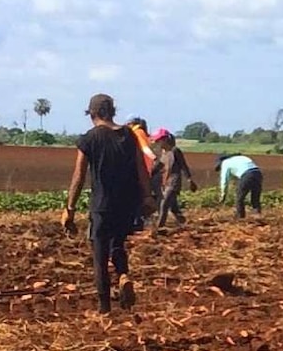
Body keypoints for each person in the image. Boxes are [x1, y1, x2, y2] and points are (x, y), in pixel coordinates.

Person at [62, 94, 154, 313]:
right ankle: (123, 275)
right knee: (118, 244)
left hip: (102, 205)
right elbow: (141, 168)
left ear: (92, 113)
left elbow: (79, 175)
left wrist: (70, 208)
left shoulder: (90, 139)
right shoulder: (129, 135)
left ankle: (104, 309)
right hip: (127, 204)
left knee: (100, 256)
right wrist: (148, 196)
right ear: (112, 111)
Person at [150, 128, 197, 228]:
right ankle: (184, 224)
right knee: (173, 208)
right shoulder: (163, 153)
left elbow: (183, 166)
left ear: (165, 139)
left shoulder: (175, 151)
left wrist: (190, 180)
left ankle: (159, 228)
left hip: (174, 182)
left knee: (164, 204)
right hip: (166, 182)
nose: (157, 143)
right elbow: (159, 166)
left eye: (158, 140)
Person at [125, 115, 159, 232]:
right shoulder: (141, 133)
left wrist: (153, 158)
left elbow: (144, 149)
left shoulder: (137, 133)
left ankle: (138, 223)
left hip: (141, 171)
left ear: (132, 124)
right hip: (145, 171)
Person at [215, 154, 263, 219]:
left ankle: (240, 217)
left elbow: (224, 181)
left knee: (239, 198)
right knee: (255, 197)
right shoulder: (240, 158)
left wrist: (223, 196)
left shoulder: (225, 163)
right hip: (258, 173)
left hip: (247, 175)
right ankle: (258, 215)